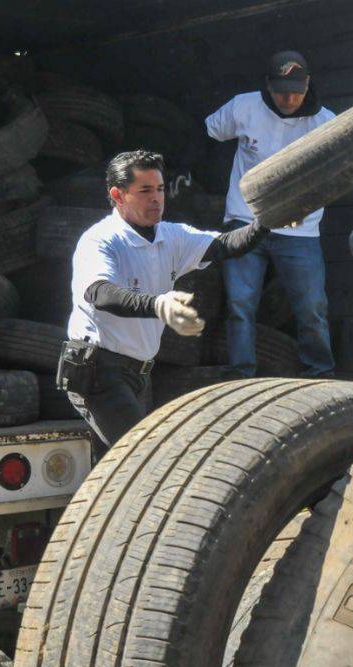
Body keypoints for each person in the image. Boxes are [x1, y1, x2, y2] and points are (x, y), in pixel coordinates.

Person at [204, 50, 353, 378]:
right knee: (240, 306)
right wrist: (203, 196)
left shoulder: (325, 122)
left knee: (312, 309)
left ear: (308, 83)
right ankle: (241, 380)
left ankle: (320, 375)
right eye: (282, 90)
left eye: (296, 91)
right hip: (244, 221)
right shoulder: (243, 107)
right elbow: (207, 137)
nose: (289, 98)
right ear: (268, 86)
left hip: (299, 232)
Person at [60, 150, 267, 449]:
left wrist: (270, 220)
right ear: (118, 195)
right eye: (144, 191)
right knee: (140, 458)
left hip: (139, 371)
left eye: (159, 189)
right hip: (99, 370)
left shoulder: (172, 235)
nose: (156, 198)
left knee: (123, 464)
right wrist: (158, 304)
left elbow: (227, 245)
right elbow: (99, 293)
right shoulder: (100, 239)